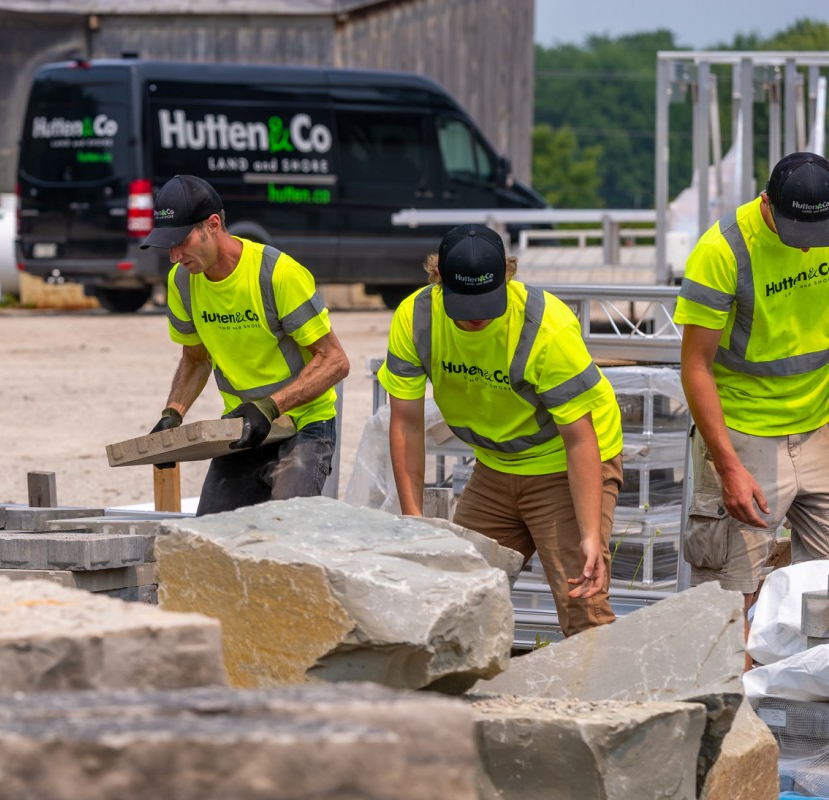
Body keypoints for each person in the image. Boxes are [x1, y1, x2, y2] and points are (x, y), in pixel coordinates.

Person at [378, 224, 624, 637]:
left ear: (507, 277)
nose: (475, 317)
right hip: (494, 467)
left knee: (582, 599)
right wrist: (414, 521)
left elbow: (580, 439)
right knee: (456, 596)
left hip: (563, 464)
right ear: (437, 281)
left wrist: (590, 536)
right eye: (464, 305)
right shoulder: (416, 318)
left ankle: (607, 700)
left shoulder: (546, 327)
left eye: (486, 304)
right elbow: (405, 423)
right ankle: (458, 702)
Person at [676, 152, 829, 643]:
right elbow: (695, 365)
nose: (807, 250)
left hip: (820, 427)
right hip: (745, 435)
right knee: (726, 604)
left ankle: (808, 713)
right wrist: (727, 467)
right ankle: (730, 718)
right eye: (795, 237)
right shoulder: (723, 250)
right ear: (767, 204)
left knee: (823, 595)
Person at [140, 174, 350, 515]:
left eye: (181, 241)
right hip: (243, 428)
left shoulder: (277, 274)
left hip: (304, 427)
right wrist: (172, 415)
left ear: (213, 224)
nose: (174, 256)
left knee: (285, 535)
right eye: (168, 245)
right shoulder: (182, 283)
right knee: (212, 541)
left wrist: (270, 406)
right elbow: (195, 359)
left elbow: (334, 361)